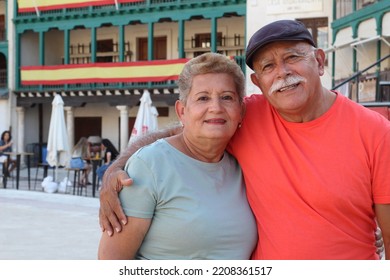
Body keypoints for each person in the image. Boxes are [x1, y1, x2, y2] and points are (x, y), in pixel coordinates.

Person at [99, 20, 390, 260]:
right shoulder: (244, 114)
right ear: (258, 82)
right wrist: (117, 168)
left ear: (320, 61)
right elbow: (182, 130)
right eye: (268, 66)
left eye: (292, 57)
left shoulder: (375, 132)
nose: (283, 72)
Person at [98, 53, 257, 259]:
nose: (216, 108)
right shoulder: (149, 165)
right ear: (182, 111)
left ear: (241, 110)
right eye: (203, 98)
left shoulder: (239, 165)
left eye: (227, 97)